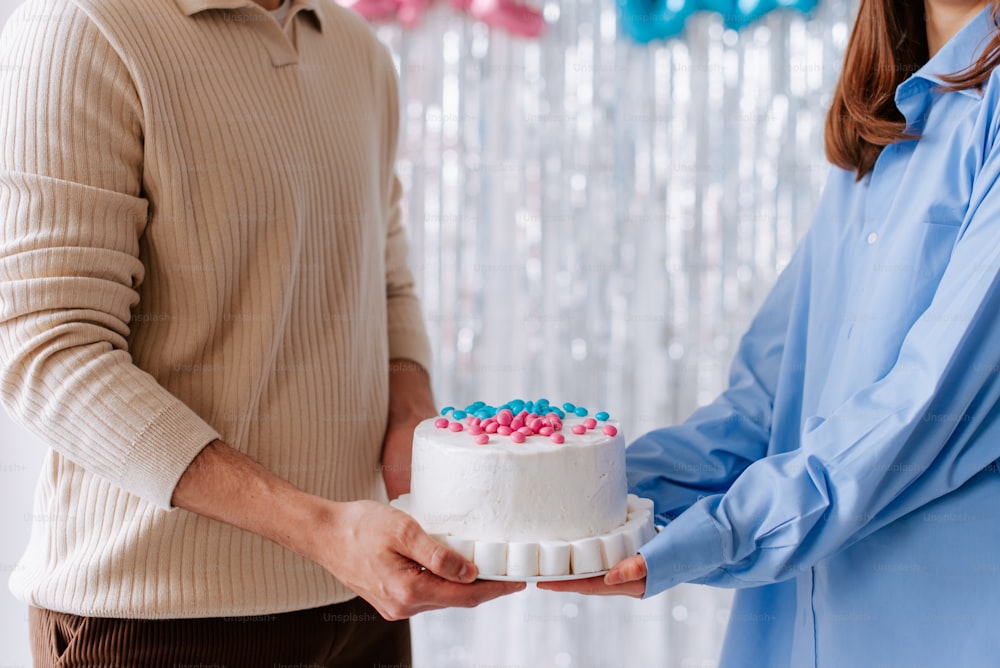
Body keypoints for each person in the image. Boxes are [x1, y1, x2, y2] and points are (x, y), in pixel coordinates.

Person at [0, 0, 522, 665]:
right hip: (156, 621)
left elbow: (385, 279)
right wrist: (320, 528)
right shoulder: (78, 28)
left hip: (361, 608)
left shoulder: (359, 50)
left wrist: (413, 434)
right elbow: (48, 350)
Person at [541, 0, 1000, 665]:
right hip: (794, 632)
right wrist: (579, 497)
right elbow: (766, 404)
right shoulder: (879, 130)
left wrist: (717, 534)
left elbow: (922, 409)